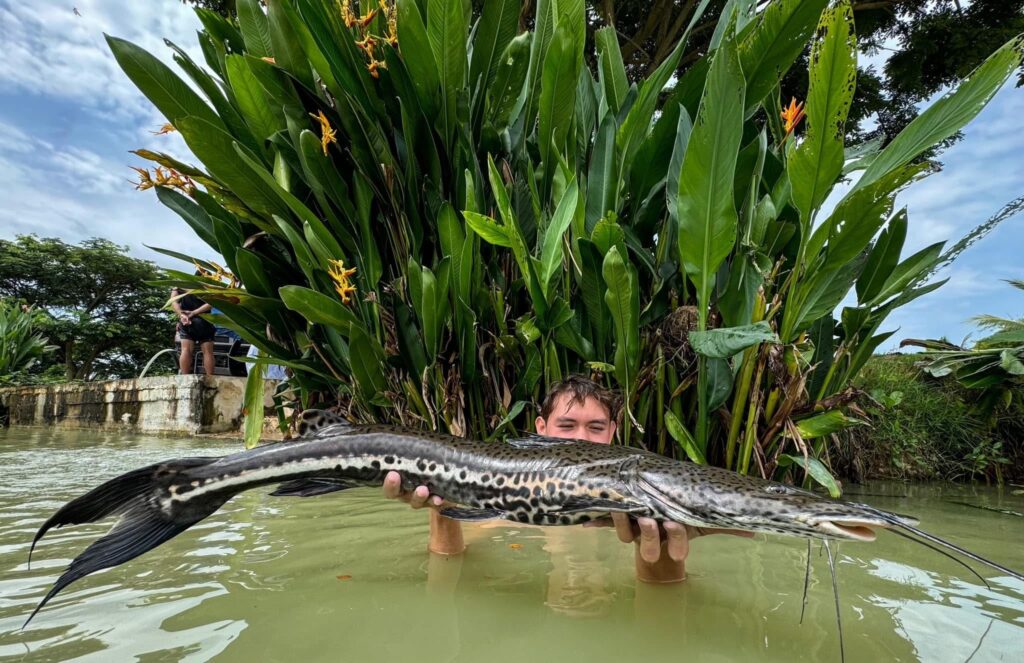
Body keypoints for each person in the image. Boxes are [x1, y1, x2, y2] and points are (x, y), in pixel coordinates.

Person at [384, 375, 752, 583]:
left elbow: (666, 598)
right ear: (540, 430)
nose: (580, 439)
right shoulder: (503, 515)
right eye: (566, 426)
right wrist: (442, 504)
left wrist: (658, 543)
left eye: (595, 427)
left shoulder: (639, 506)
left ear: (613, 433)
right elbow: (447, 566)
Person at [171, 286, 216, 376]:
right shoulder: (210, 288)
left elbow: (173, 301)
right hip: (204, 320)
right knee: (207, 352)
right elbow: (213, 303)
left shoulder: (180, 287)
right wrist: (195, 312)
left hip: (186, 320)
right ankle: (210, 377)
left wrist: (182, 314)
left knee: (185, 350)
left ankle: (184, 377)